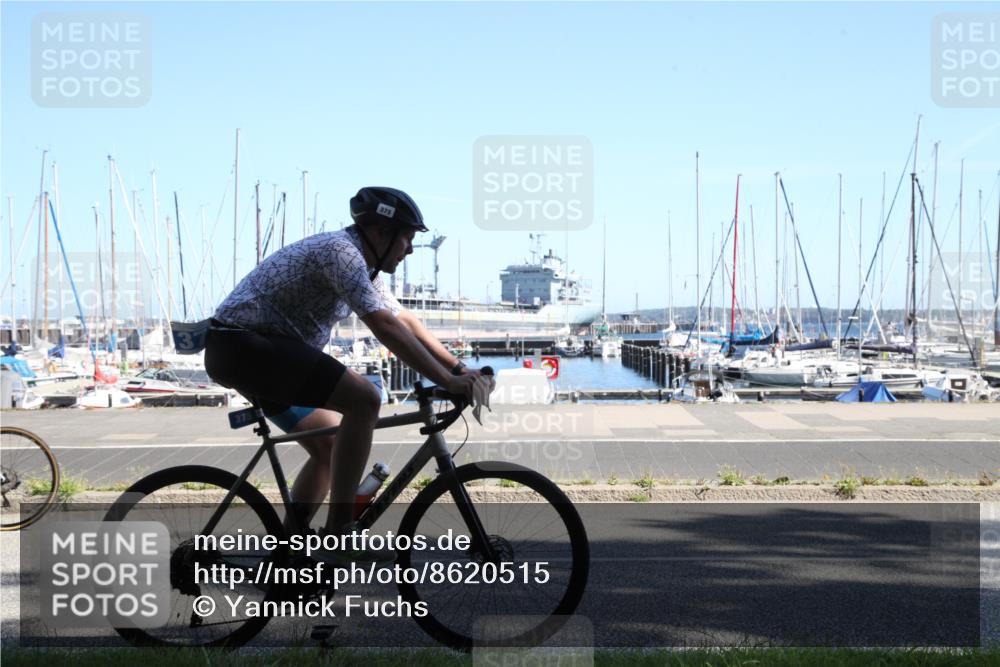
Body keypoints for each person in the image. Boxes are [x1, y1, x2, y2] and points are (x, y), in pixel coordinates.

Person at [204, 186, 487, 562]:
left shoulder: (363, 264)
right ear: (381, 233)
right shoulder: (341, 254)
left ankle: (288, 557)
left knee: (330, 446)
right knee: (365, 399)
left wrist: (459, 369)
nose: (410, 249)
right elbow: (385, 328)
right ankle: (339, 533)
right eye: (407, 237)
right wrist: (448, 382)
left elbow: (404, 321)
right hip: (243, 346)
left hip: (254, 352)